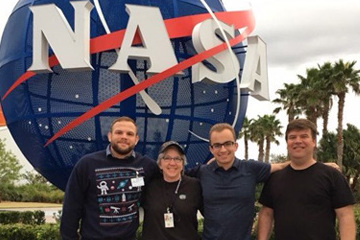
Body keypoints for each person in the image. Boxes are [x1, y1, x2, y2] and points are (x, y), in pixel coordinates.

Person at [60, 116, 159, 240]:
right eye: (119, 132)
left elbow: (172, 178)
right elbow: (71, 207)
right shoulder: (87, 164)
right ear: (109, 136)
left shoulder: (147, 166)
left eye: (130, 134)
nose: (124, 137)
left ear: (136, 139)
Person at [257, 118, 356, 240]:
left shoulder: (332, 176)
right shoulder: (274, 178)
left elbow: (345, 216)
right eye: (292, 137)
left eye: (304, 136)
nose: (298, 141)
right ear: (287, 142)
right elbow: (266, 214)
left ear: (314, 141)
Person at [188, 122, 290, 240]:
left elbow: (282, 167)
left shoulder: (251, 169)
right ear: (211, 149)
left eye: (227, 143)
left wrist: (310, 163)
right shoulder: (202, 172)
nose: (223, 149)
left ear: (235, 146)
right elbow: (174, 176)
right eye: (217, 145)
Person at [141, 141, 203, 240]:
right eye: (167, 158)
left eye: (177, 159)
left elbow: (211, 214)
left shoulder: (195, 186)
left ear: (183, 164)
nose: (172, 163)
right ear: (160, 164)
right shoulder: (148, 186)